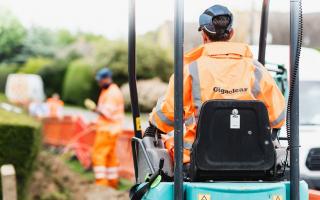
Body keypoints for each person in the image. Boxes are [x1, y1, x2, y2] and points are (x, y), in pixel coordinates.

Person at [147, 5, 286, 164]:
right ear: (231, 33)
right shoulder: (257, 70)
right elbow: (278, 118)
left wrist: (152, 127)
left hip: (199, 161)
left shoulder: (189, 71)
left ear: (204, 36)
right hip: (253, 161)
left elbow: (167, 116)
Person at [92, 68, 124, 188]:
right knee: (110, 157)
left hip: (107, 130)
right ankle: (112, 183)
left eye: (100, 80)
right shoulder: (111, 90)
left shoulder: (111, 93)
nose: (99, 83)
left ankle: (101, 183)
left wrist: (95, 109)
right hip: (113, 130)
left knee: (99, 155)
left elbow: (107, 113)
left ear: (106, 79)